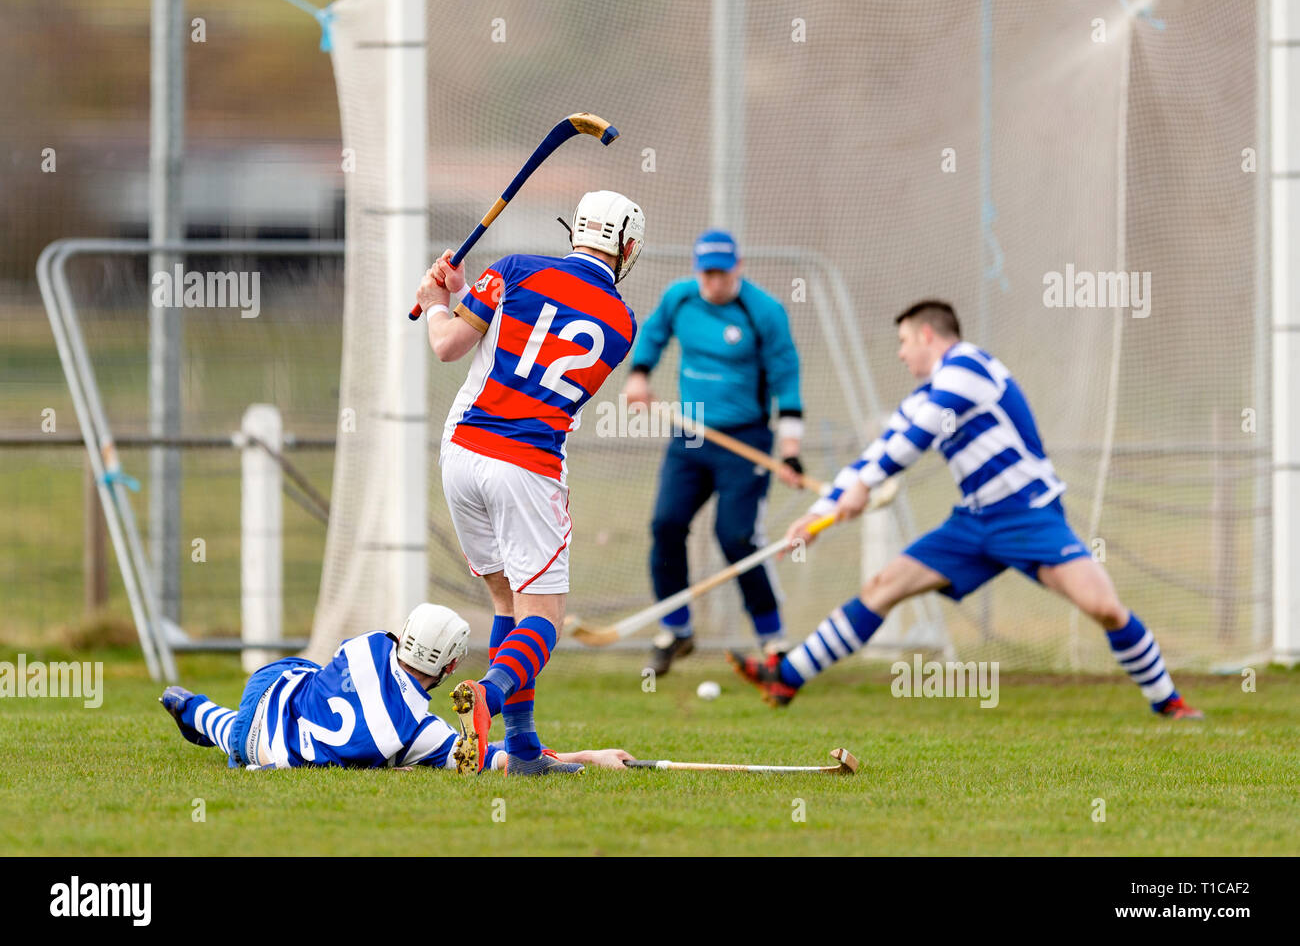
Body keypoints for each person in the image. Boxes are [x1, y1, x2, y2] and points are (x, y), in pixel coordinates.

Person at [728, 300, 1204, 720]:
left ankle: (1169, 702)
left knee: (1103, 607)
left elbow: (917, 440)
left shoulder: (968, 367)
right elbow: (880, 451)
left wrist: (865, 488)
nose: (900, 354)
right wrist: (819, 514)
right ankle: (786, 676)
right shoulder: (922, 396)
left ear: (927, 335)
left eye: (903, 342)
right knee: (882, 586)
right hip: (974, 521)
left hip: (1029, 514)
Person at [416, 190, 645, 775]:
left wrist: (438, 300)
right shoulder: (622, 323)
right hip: (528, 465)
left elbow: (450, 345)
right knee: (544, 619)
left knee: (505, 601)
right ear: (626, 248)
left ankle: (521, 753)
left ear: (575, 233)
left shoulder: (513, 269)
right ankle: (490, 695)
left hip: (462, 453)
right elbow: (542, 346)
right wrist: (462, 295)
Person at [624, 229, 804, 675]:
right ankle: (676, 631)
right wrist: (640, 374)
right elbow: (654, 333)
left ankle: (773, 642)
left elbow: (786, 376)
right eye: (706, 272)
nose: (712, 281)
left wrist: (791, 450)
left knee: (737, 538)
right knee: (666, 525)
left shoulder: (764, 311)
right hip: (690, 434)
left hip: (745, 440)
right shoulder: (681, 298)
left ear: (738, 267)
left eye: (721, 273)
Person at [159, 603, 634, 772]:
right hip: (266, 754)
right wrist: (590, 756)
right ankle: (197, 713)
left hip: (265, 697)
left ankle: (189, 707)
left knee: (291, 682)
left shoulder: (364, 645)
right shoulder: (420, 733)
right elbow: (505, 759)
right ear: (450, 667)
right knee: (237, 734)